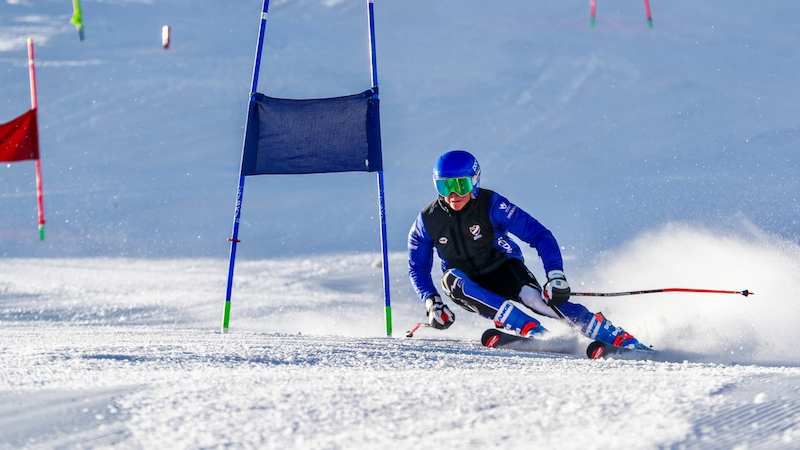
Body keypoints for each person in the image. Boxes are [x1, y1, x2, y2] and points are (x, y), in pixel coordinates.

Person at [407, 150, 648, 350]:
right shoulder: (428, 220)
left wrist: (556, 276)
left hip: (503, 268)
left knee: (537, 299)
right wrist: (432, 303)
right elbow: (417, 268)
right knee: (451, 280)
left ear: (475, 181)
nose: (452, 194)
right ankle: (533, 331)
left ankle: (619, 338)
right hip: (469, 286)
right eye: (444, 186)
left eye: (460, 185)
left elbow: (540, 235)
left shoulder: (492, 205)